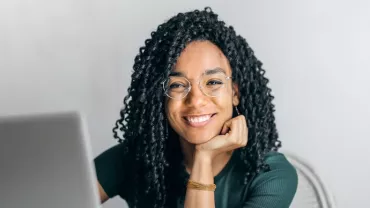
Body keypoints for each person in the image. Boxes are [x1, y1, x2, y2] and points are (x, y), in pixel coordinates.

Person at [94, 7, 298, 208]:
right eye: (177, 85)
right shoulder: (133, 158)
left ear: (234, 93)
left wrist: (203, 157)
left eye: (213, 82)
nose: (196, 100)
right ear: (161, 97)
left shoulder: (272, 175)